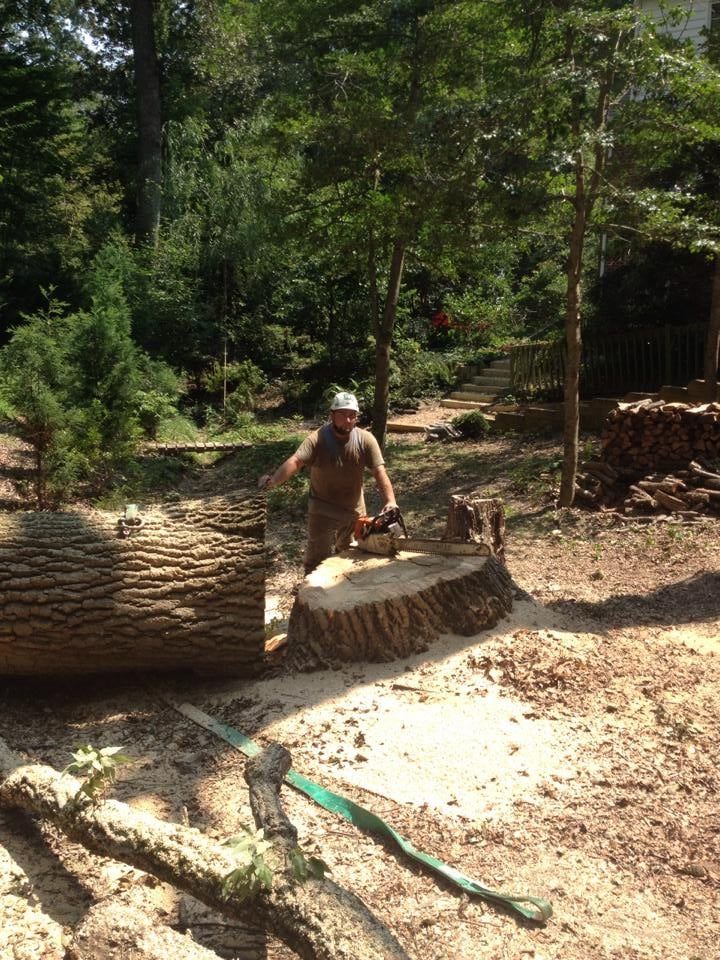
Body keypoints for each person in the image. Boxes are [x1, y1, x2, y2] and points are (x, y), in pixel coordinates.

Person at [258, 391, 398, 574]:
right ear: (332, 415)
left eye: (352, 415)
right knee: (316, 559)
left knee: (349, 555)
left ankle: (344, 588)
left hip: (353, 509)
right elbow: (296, 461)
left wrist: (390, 500)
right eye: (342, 415)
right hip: (322, 509)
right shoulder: (318, 439)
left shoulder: (365, 440)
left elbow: (379, 471)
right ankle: (310, 590)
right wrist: (274, 480)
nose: (348, 420)